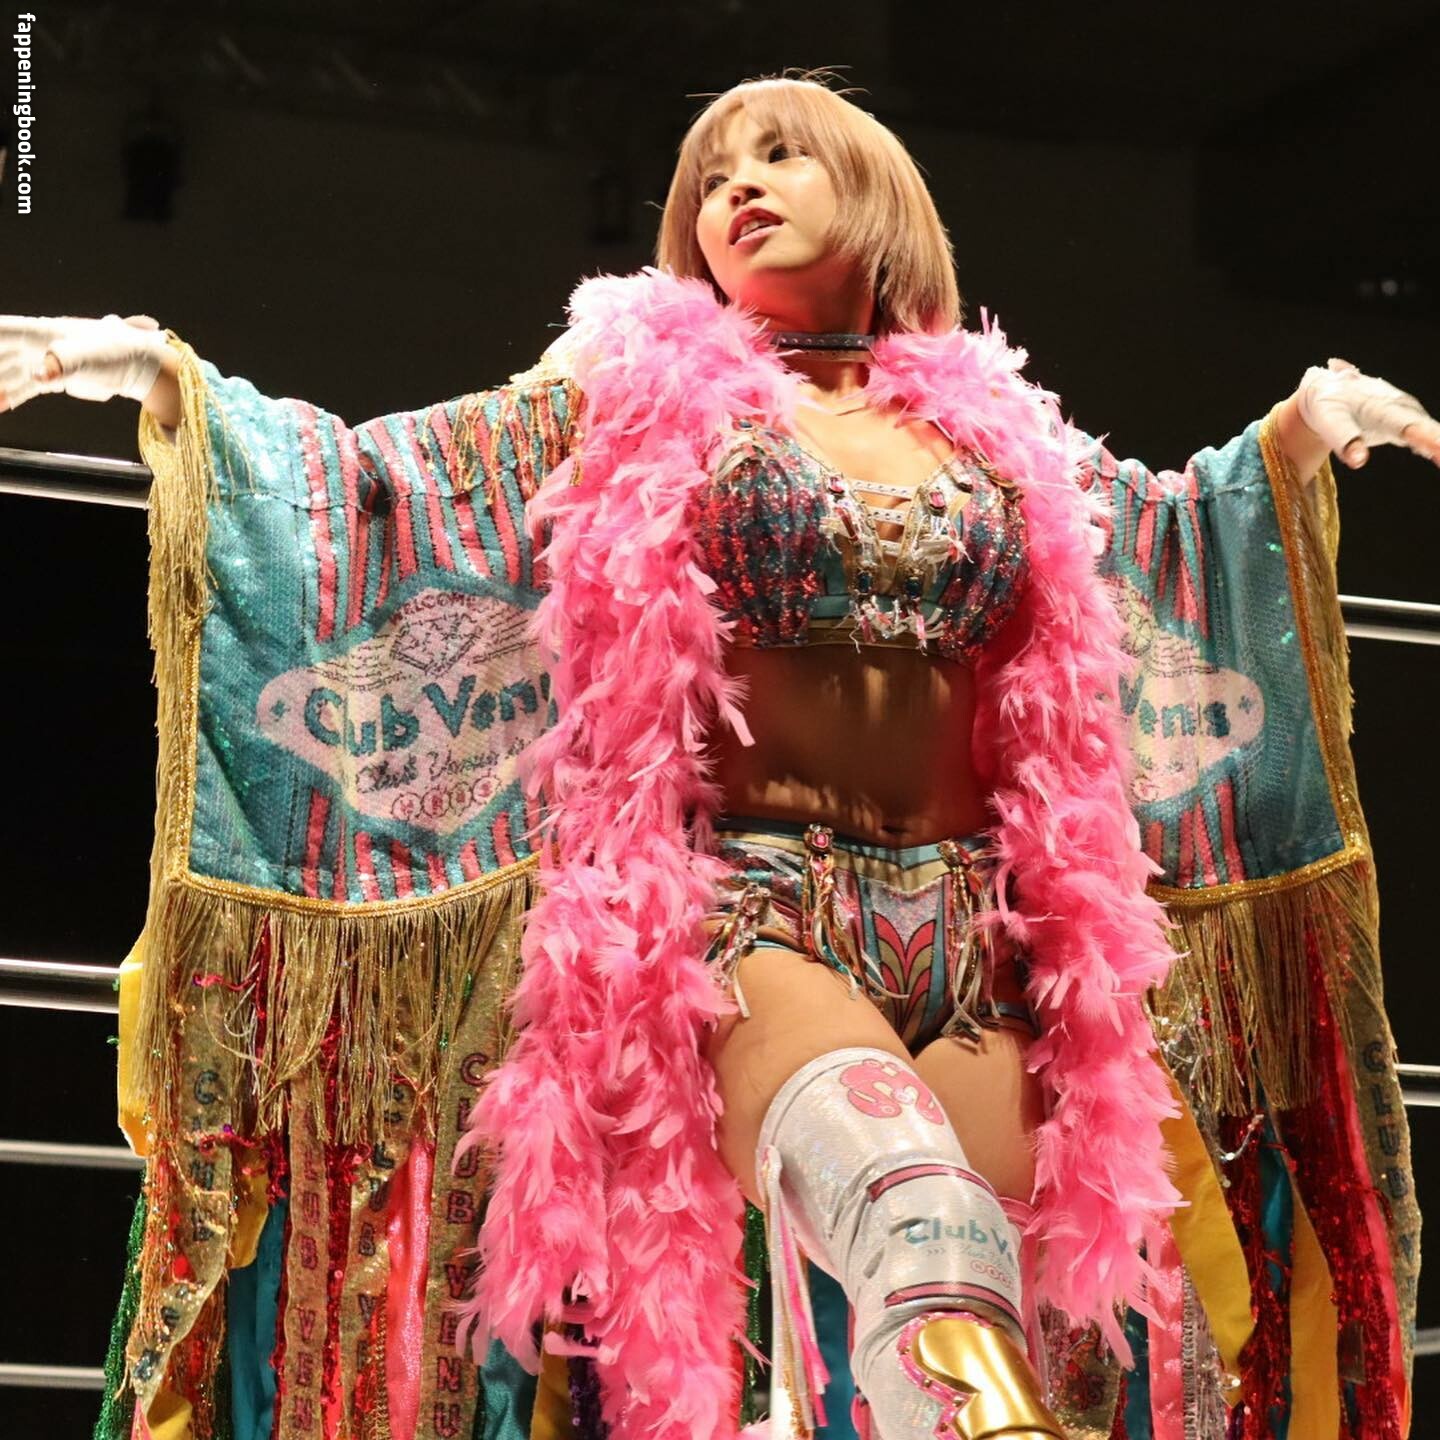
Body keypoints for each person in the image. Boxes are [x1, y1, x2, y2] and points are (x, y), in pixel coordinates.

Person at [3, 70, 1435, 1440]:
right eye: (710, 179)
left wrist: (1294, 443)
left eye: (778, 154)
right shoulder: (630, 387)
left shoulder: (997, 429)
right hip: (761, 925)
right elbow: (401, 488)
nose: (735, 187)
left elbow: (1157, 547)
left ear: (874, 191)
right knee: (924, 1232)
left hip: (986, 940)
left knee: (1094, 1332)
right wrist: (163, 378)